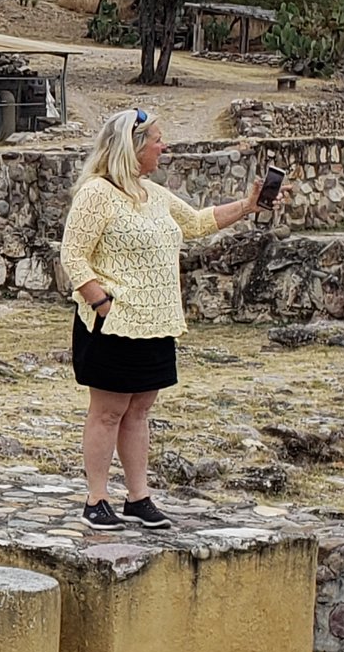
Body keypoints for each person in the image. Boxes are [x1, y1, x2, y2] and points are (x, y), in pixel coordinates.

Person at [59, 107, 276, 530]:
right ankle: (96, 499)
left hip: (155, 323)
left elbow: (196, 221)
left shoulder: (152, 193)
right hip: (113, 323)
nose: (165, 145)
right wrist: (102, 304)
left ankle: (138, 497)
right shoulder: (96, 193)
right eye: (158, 139)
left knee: (139, 410)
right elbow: (73, 255)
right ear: (134, 147)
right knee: (107, 411)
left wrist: (249, 206)